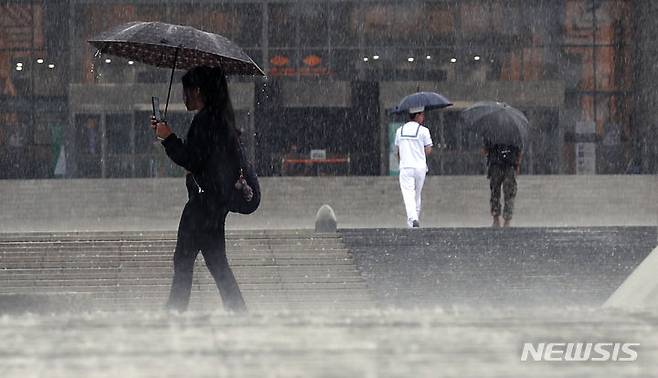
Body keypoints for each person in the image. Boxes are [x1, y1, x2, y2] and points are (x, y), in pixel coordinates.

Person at [150, 66, 247, 313]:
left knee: (183, 261)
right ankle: (238, 312)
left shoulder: (206, 121)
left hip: (202, 207)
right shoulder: (219, 119)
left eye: (186, 91)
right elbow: (205, 161)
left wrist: (168, 138)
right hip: (214, 205)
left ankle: (174, 311)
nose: (183, 97)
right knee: (217, 263)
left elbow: (192, 158)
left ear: (198, 91)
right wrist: (167, 137)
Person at [395, 106, 433, 228]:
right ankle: (412, 222)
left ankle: (413, 218)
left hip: (406, 167)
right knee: (417, 195)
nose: (423, 117)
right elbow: (428, 150)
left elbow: (398, 150)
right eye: (422, 115)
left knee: (408, 194)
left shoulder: (399, 130)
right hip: (420, 167)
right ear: (417, 116)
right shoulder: (424, 131)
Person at [482, 141, 522, 228]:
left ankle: (497, 219)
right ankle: (506, 220)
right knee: (508, 193)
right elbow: (519, 150)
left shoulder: (492, 134)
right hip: (508, 163)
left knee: (496, 192)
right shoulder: (514, 136)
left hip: (498, 163)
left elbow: (486, 150)